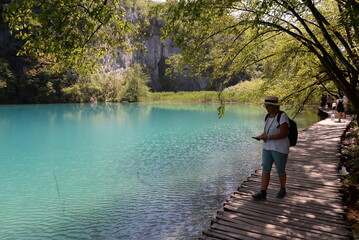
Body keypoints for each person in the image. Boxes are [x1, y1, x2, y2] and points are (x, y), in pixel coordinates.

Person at [252, 95, 290, 200]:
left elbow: (283, 133)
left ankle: (283, 189)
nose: (267, 108)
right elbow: (266, 131)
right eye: (266, 106)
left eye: (268, 106)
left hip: (280, 148)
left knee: (280, 170)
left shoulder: (282, 116)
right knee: (265, 169)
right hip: (267, 147)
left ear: (275, 106)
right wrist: (261, 136)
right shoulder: (267, 116)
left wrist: (268, 137)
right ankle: (263, 192)